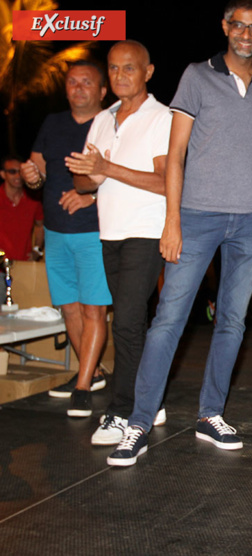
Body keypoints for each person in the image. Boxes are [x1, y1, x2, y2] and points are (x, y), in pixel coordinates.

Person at [107, 0, 252, 467]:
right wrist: (173, 220)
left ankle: (211, 414)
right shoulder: (196, 75)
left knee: (232, 320)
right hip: (197, 216)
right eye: (238, 26)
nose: (246, 34)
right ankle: (139, 421)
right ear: (226, 28)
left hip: (249, 219)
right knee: (169, 319)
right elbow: (176, 150)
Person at [66, 41, 171, 429]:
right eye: (113, 68)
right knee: (128, 322)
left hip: (146, 232)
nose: (120, 75)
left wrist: (106, 168)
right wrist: (90, 172)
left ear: (148, 72)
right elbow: (84, 182)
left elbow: (166, 182)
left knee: (127, 321)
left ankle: (125, 409)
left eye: (130, 68)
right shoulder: (103, 118)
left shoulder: (162, 117)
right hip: (108, 232)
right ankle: (151, 401)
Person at [20, 61, 111, 411]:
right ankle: (94, 372)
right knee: (69, 308)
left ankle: (84, 385)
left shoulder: (110, 124)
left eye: (86, 82)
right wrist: (31, 176)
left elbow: (127, 176)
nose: (78, 88)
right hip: (56, 232)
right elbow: (38, 172)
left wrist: (92, 196)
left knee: (93, 310)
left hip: (94, 233)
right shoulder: (53, 123)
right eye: (72, 82)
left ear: (102, 90)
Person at [0, 155, 44, 262]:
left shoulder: (33, 199)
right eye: (12, 172)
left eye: (20, 172)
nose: (18, 176)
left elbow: (41, 225)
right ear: (3, 174)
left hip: (24, 264)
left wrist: (37, 250)